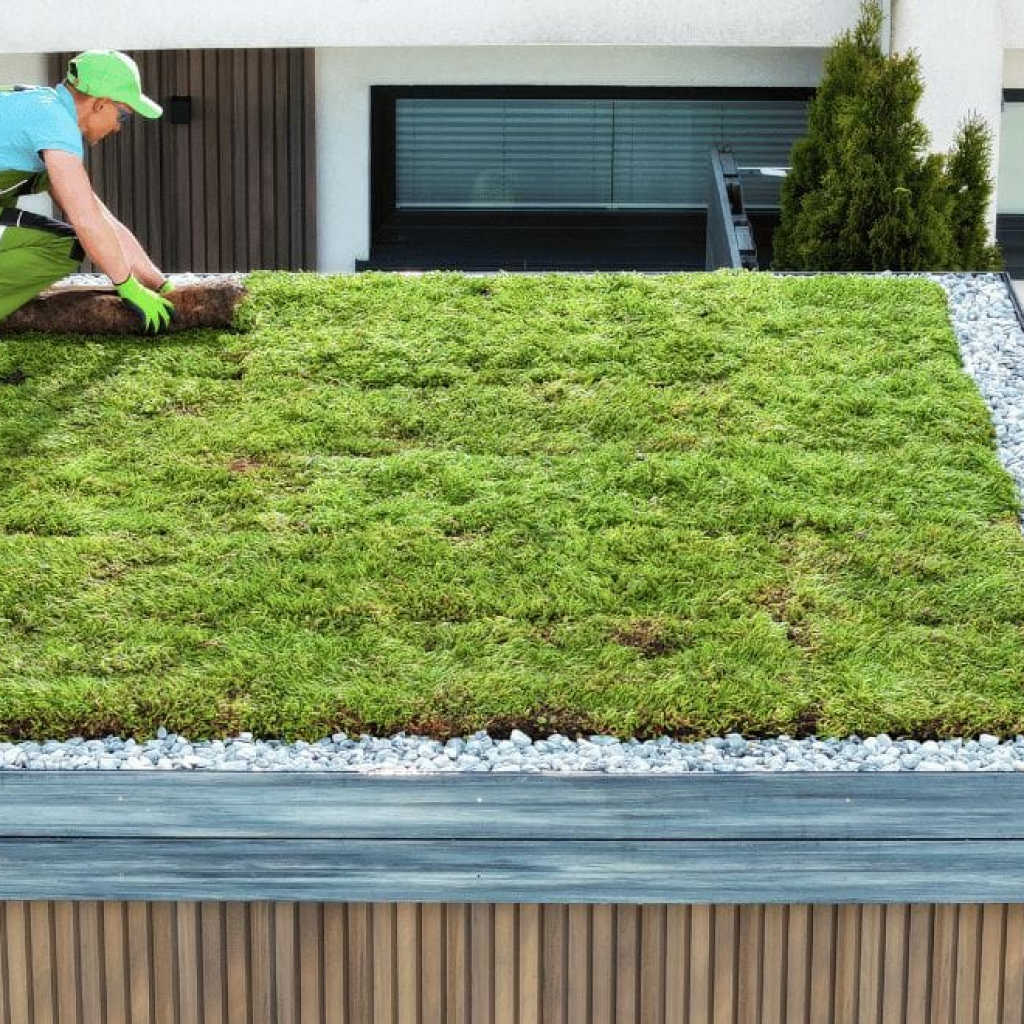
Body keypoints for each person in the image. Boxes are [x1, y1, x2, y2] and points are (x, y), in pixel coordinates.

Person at [0, 50, 175, 334]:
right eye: (123, 116)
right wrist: (127, 286)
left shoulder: (40, 108)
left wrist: (160, 284)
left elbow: (98, 217)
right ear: (100, 104)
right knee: (63, 246)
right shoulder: (54, 123)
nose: (118, 127)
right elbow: (86, 222)